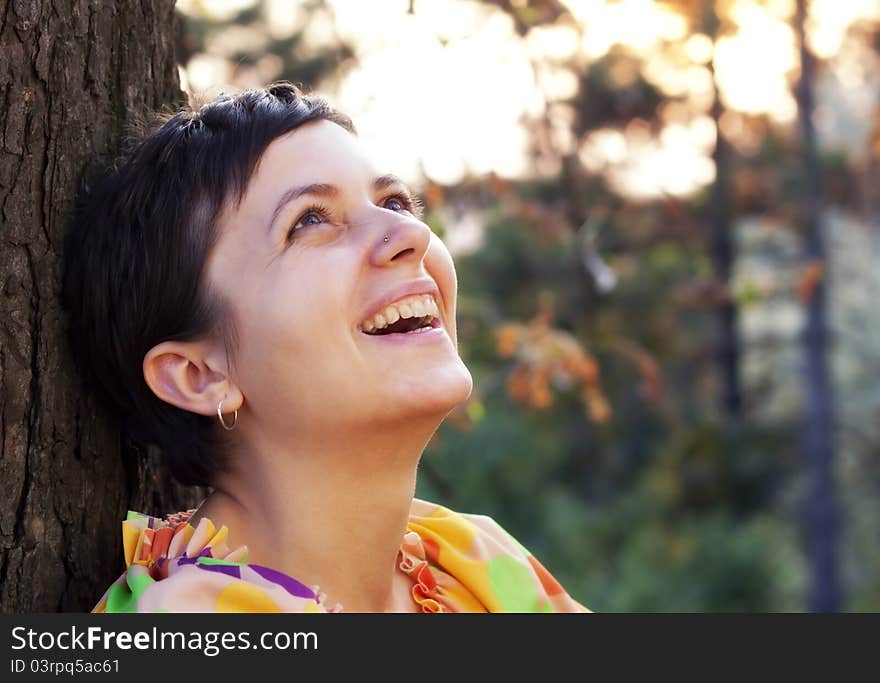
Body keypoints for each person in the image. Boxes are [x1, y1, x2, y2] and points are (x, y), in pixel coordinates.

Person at [62, 82, 590, 613]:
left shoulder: (477, 560)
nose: (410, 236)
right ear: (200, 374)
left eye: (395, 202)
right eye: (310, 220)